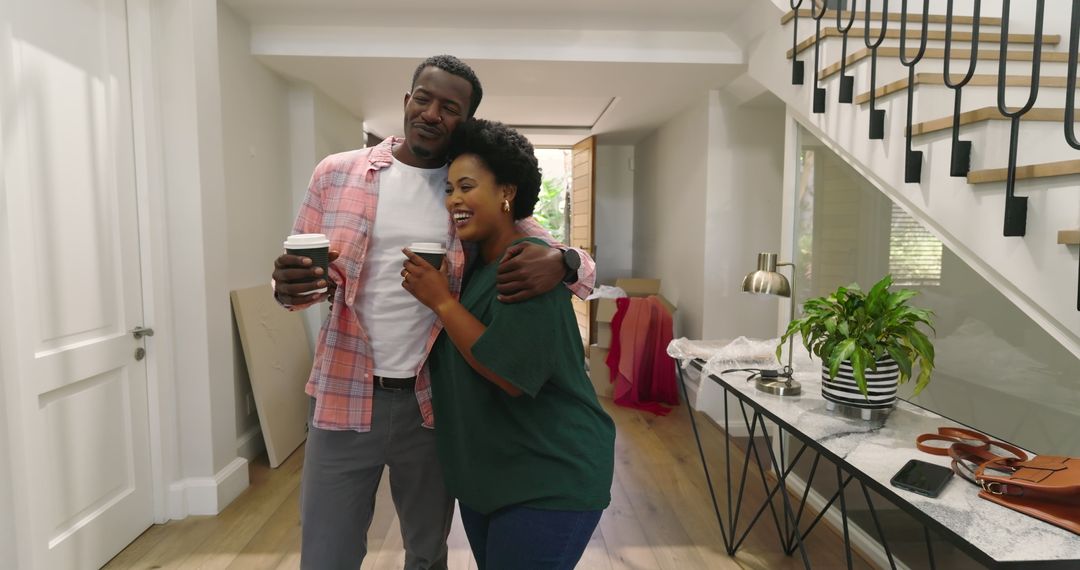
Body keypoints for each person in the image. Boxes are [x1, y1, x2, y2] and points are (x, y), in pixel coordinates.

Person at [271, 55, 595, 570]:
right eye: (423, 98)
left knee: (426, 552)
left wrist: (567, 260)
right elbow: (299, 279)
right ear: (407, 101)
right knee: (326, 553)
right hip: (343, 391)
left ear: (462, 121)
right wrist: (285, 288)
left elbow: (554, 252)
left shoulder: (466, 185)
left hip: (432, 403)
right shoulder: (337, 174)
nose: (431, 114)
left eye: (449, 108)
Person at [401, 118, 615, 570]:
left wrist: (440, 301)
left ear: (506, 193)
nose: (454, 199)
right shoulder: (477, 265)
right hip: (492, 477)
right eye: (449, 190)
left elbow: (508, 374)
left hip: (548, 478)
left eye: (467, 186)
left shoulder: (527, 265)